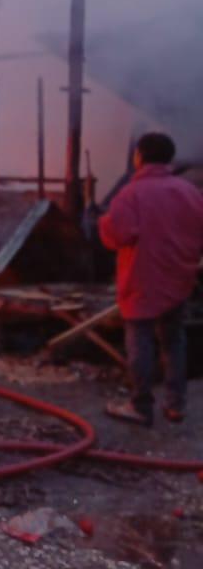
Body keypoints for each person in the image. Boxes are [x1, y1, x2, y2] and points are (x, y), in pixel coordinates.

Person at [98, 132, 203, 427]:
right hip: (179, 279)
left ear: (140, 156)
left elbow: (116, 235)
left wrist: (102, 221)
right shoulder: (190, 191)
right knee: (174, 340)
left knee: (140, 341)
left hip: (142, 280)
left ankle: (141, 406)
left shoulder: (131, 194)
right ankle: (175, 405)